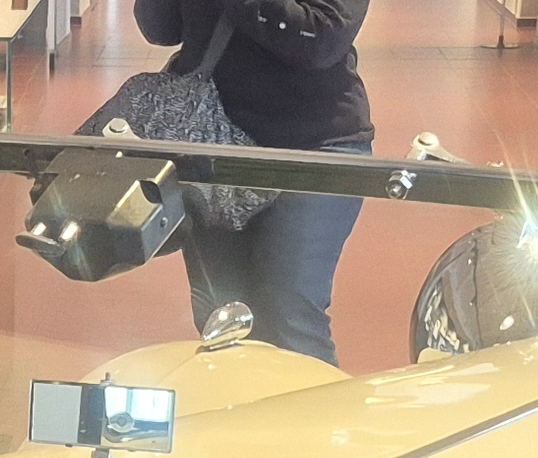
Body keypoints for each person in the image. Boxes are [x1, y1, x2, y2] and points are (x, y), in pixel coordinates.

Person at [132, 0, 372, 365]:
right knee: (222, 318)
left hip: (314, 147)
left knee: (290, 314)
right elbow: (161, 28)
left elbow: (322, 40)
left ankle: (314, 404)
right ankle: (239, 403)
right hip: (213, 142)